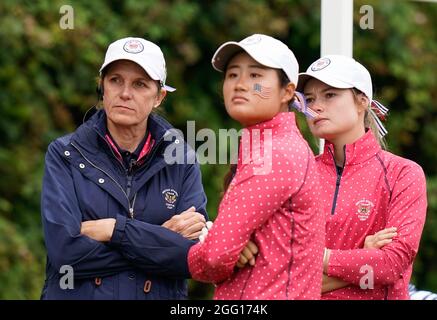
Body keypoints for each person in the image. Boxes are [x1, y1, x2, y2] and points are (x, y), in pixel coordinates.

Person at [40, 37, 208, 299]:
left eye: (140, 84)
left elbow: (192, 256)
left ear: (159, 97)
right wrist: (160, 238)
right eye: (115, 80)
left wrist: (111, 230)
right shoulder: (65, 154)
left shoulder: (182, 160)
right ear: (103, 87)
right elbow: (65, 254)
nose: (125, 93)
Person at [188, 34, 325, 299]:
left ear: (287, 91)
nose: (240, 85)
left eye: (255, 76)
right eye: (232, 75)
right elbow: (225, 248)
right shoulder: (273, 145)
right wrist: (220, 243)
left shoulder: (275, 153)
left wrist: (205, 246)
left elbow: (215, 257)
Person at [297, 55, 427, 299]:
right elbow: (279, 273)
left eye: (330, 95)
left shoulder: (403, 174)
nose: (315, 107)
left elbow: (389, 265)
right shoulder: (298, 175)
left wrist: (320, 257)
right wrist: (361, 256)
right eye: (310, 99)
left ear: (362, 102)